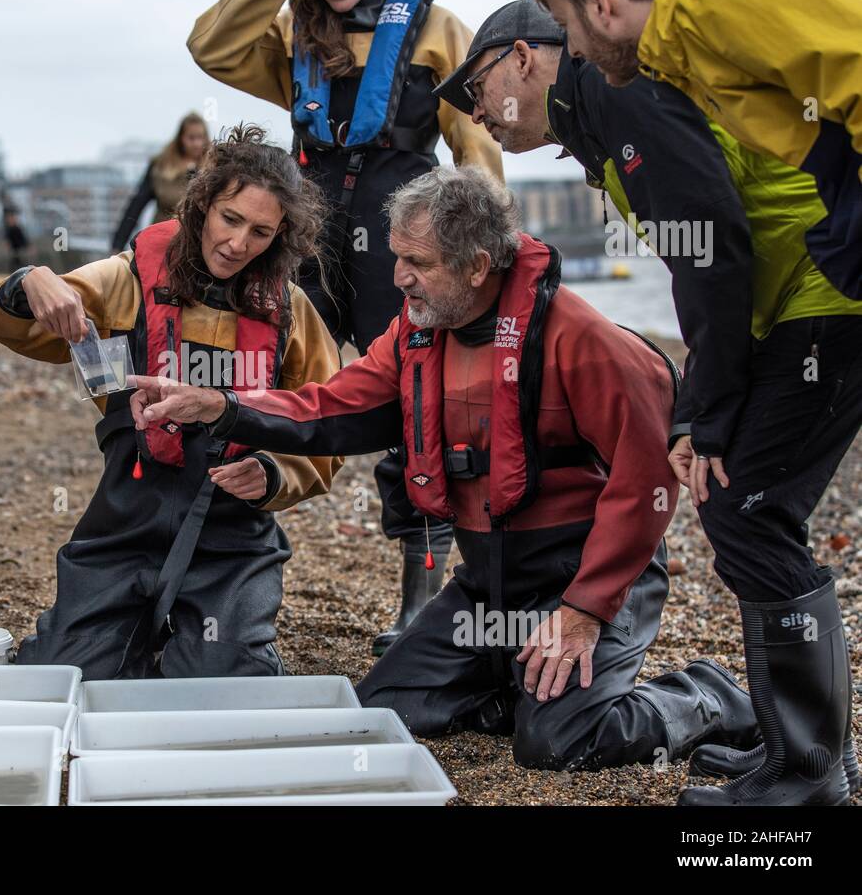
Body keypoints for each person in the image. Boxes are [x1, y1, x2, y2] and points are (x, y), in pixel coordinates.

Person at [131, 167, 759, 772]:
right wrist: (224, 406)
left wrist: (586, 611)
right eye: (397, 257)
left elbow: (647, 484)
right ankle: (519, 679)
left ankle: (710, 695)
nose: (399, 277)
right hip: (490, 582)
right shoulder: (416, 331)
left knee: (562, 743)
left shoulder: (585, 341)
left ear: (478, 265)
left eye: (419, 264)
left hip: (581, 572)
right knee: (387, 711)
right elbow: (329, 409)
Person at [434, 0, 862, 801]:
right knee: (755, 512)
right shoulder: (597, 119)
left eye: (477, 86)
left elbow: (714, 248)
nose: (473, 112)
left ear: (525, 57)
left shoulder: (614, 91)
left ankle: (806, 772)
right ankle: (808, 755)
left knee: (749, 511)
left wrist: (707, 405)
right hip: (800, 298)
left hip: (826, 290)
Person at [189, 0, 504, 654]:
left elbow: (476, 145)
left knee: (421, 410)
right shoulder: (295, 27)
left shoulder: (437, 28)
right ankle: (212, 572)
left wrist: (487, 248)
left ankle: (421, 607)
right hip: (309, 237)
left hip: (404, 237)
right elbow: (210, 45)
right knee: (260, 386)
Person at [0, 125, 343, 680]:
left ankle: (221, 647)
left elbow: (327, 424)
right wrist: (28, 282)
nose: (238, 243)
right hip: (128, 517)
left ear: (282, 236)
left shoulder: (291, 312)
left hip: (231, 534)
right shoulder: (125, 279)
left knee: (227, 683)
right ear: (202, 205)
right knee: (62, 677)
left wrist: (274, 472)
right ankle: (125, 636)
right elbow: (13, 326)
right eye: (230, 218)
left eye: (261, 231)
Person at [112, 112, 210, 253]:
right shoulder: (160, 166)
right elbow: (136, 206)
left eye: (200, 138)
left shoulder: (212, 170)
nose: (197, 143)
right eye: (191, 138)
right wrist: (118, 244)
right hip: (161, 245)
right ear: (181, 138)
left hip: (197, 249)